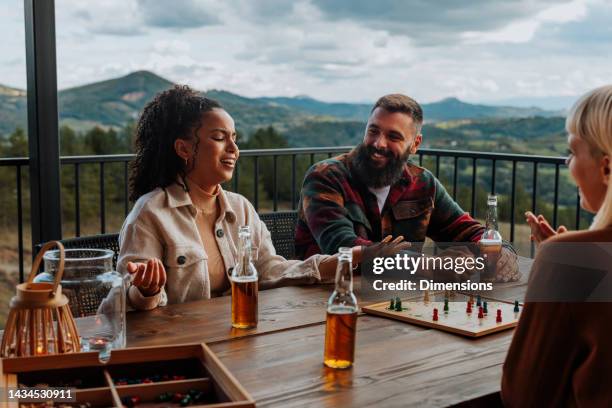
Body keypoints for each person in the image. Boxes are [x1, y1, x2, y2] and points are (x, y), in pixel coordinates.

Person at [118, 86, 407, 310]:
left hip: (241, 336)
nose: (234, 148)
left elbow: (270, 270)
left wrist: (347, 259)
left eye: (235, 138)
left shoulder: (240, 208)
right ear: (183, 149)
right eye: (220, 138)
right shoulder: (150, 214)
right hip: (184, 349)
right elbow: (121, 305)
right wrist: (147, 291)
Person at [295, 93, 519, 281]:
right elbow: (343, 249)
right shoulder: (325, 177)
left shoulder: (422, 183)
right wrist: (432, 266)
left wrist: (501, 252)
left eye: (393, 136)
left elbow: (468, 231)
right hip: (324, 300)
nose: (378, 143)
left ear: (415, 144)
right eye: (373, 131)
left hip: (397, 304)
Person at [502, 85, 612, 406]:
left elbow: (523, 395)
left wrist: (560, 265)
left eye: (573, 152)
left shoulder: (571, 261)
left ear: (606, 167)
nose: (567, 163)